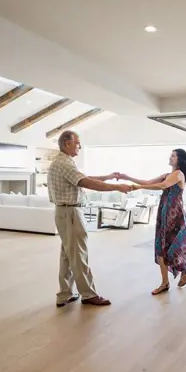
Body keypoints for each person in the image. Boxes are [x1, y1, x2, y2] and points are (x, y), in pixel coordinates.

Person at [48, 130, 132, 307]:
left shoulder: (63, 162)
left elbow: (84, 177)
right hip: (70, 214)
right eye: (77, 142)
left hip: (64, 213)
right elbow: (88, 183)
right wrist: (117, 187)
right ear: (66, 143)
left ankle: (64, 294)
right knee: (78, 255)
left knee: (67, 255)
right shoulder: (65, 163)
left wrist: (108, 177)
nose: (80, 145)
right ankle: (88, 294)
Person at [117, 149, 186, 295]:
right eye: (170, 155)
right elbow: (147, 182)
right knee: (161, 248)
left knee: (183, 245)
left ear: (179, 159)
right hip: (164, 214)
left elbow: (162, 186)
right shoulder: (167, 175)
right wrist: (126, 177)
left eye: (173, 155)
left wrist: (139, 187)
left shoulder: (178, 174)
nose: (170, 157)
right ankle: (164, 283)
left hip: (176, 215)